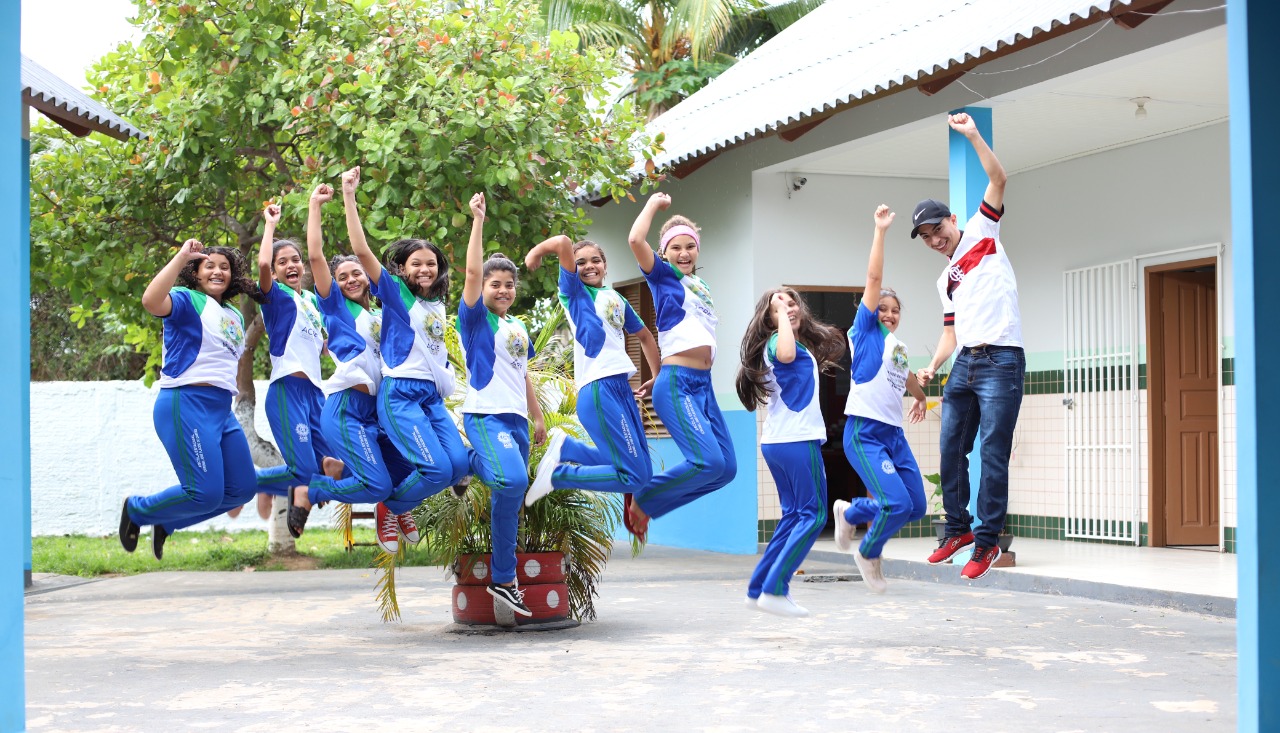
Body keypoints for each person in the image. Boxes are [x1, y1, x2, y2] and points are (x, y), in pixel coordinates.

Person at [913, 112, 1022, 580]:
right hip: (965, 361)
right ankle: (955, 528)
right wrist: (933, 366)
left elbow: (999, 177)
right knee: (950, 447)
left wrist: (973, 135)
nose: (936, 240)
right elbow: (951, 331)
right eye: (927, 238)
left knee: (993, 451)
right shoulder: (945, 280)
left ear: (953, 220)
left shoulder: (983, 229)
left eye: (939, 230)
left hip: (1001, 358)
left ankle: (987, 542)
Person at [285, 182, 419, 554]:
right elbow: (315, 257)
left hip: (382, 409)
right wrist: (317, 204)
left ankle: (396, 507)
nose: (350, 279)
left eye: (355, 272)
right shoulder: (336, 309)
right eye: (342, 276)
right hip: (348, 409)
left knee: (414, 468)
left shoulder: (383, 309)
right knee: (375, 483)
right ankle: (311, 489)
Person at [120, 238, 265, 559]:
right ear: (195, 273)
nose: (217, 271)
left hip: (220, 411)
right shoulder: (186, 300)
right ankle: (137, 510)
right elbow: (150, 301)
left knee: (242, 489)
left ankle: (166, 524)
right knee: (205, 493)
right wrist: (181, 255)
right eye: (209, 266)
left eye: (224, 267)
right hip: (185, 403)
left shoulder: (233, 314)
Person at [341, 167, 470, 519]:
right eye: (417, 263)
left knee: (458, 465)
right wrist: (349, 196)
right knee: (438, 471)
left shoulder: (438, 303)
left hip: (431, 395)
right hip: (401, 394)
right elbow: (360, 250)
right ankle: (391, 506)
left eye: (431, 263)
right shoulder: (395, 293)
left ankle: (398, 502)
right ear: (402, 267)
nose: (425, 269)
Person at [623, 192, 735, 540]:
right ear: (665, 253)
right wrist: (654, 206)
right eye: (676, 247)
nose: (684, 253)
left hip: (703, 384)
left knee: (726, 469)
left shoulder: (700, 286)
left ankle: (650, 506)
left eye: (690, 246)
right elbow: (634, 240)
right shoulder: (662, 277)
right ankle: (644, 497)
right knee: (710, 462)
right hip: (678, 384)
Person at [523, 236, 661, 508]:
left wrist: (657, 376)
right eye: (581, 262)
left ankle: (568, 449)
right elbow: (563, 242)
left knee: (642, 472)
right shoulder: (574, 293)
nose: (589, 266)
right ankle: (560, 474)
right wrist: (536, 252)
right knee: (633, 475)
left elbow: (645, 335)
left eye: (595, 260)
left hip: (621, 388)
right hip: (598, 389)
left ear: (606, 266)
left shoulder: (616, 298)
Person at [457, 192, 546, 617]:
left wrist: (537, 415)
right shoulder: (475, 319)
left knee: (509, 495)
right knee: (509, 481)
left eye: (509, 284)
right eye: (496, 284)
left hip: (515, 421)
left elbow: (521, 372)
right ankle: (463, 461)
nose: (504, 289)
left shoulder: (517, 325)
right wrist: (478, 221)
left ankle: (505, 580)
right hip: (485, 414)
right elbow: (472, 270)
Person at [832, 205, 929, 593]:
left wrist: (921, 397)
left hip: (894, 436)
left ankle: (850, 511)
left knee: (916, 507)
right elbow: (874, 277)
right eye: (882, 308)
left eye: (895, 310)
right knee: (896, 504)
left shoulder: (898, 345)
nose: (888, 314)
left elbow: (906, 378)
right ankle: (868, 553)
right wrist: (880, 231)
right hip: (865, 433)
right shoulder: (864, 331)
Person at [736, 288, 845, 617]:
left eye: (790, 301)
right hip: (796, 441)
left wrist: (782, 314)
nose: (786, 308)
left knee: (795, 516)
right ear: (769, 319)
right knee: (813, 516)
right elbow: (785, 355)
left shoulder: (789, 344)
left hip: (780, 442)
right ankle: (776, 588)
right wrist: (783, 317)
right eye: (776, 306)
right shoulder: (777, 343)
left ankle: (758, 589)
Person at [250, 202, 340, 536]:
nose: (291, 264)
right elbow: (260, 261)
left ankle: (303, 489)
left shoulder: (313, 303)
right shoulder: (275, 298)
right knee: (304, 469)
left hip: (315, 396)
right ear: (274, 272)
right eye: (282, 262)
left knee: (336, 465)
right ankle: (266, 485)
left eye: (295, 259)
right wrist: (270, 225)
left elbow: (329, 344)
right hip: (287, 391)